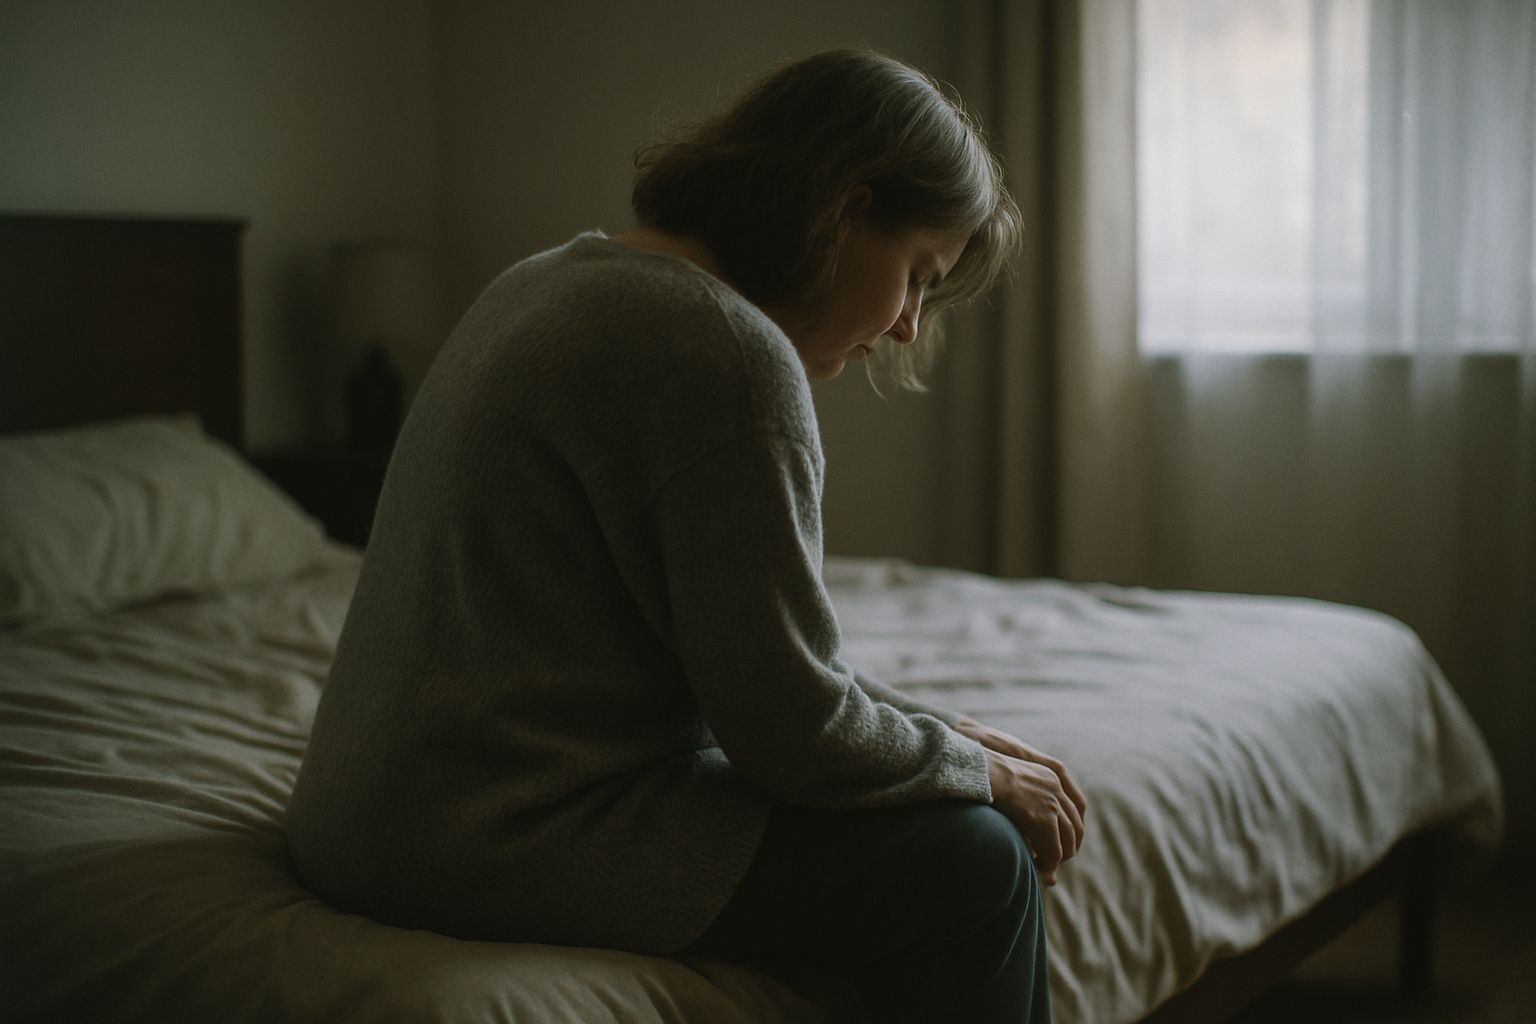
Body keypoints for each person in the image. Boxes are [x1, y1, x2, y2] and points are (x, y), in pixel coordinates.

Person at [285, 49, 1086, 1024]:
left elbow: (755, 661)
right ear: (843, 211)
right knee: (979, 866)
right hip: (484, 834)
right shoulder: (726, 354)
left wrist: (943, 738)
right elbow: (790, 733)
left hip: (366, 817)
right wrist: (978, 776)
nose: (911, 328)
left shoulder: (548, 277)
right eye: (917, 275)